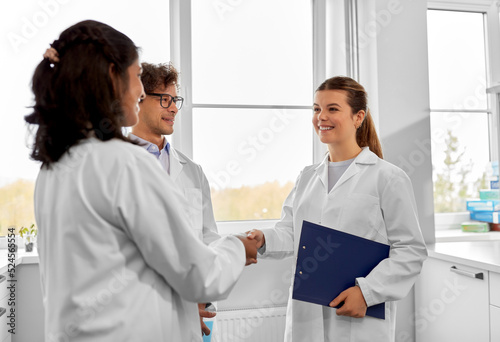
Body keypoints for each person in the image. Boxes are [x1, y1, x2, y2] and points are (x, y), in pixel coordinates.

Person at [25, 20, 258, 342]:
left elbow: (121, 269)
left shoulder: (55, 166)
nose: (139, 90)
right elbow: (202, 276)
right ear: (111, 76)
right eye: (136, 77)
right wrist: (238, 246)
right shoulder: (124, 163)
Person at [247, 76, 427, 341]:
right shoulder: (307, 177)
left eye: (332, 108)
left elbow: (410, 250)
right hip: (307, 312)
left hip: (359, 319)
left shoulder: (388, 177)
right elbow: (291, 232)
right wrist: (264, 239)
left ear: (358, 117)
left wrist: (366, 292)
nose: (321, 116)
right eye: (316, 109)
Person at [129, 62, 220, 336]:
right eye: (165, 100)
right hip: (140, 314)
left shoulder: (192, 172)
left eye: (175, 100)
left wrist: (204, 293)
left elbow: (209, 238)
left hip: (196, 308)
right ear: (138, 100)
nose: (174, 108)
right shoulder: (116, 167)